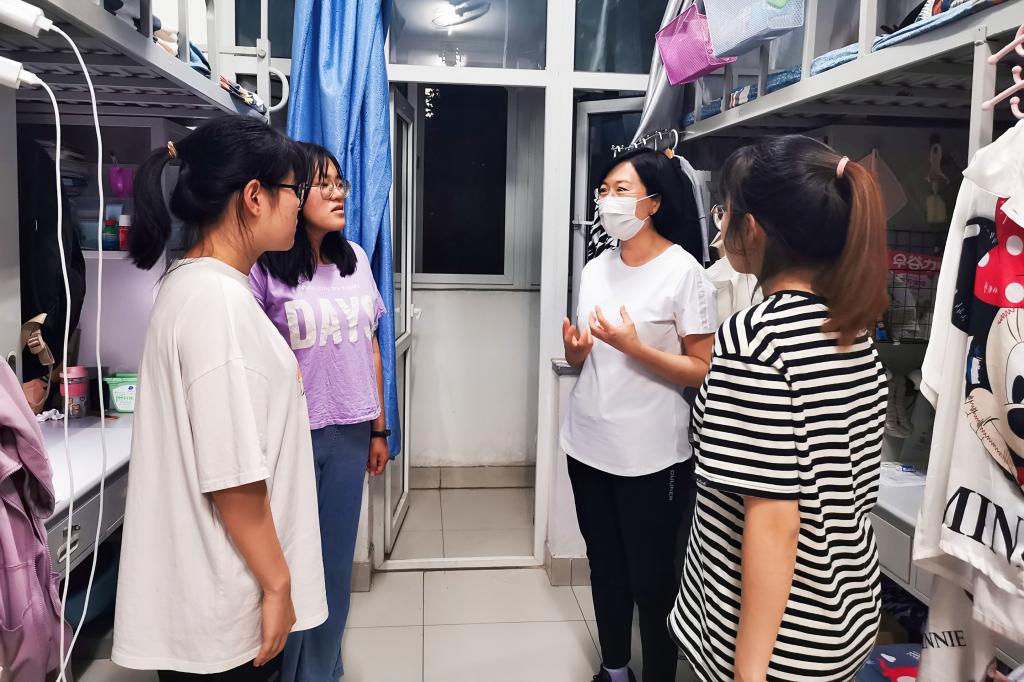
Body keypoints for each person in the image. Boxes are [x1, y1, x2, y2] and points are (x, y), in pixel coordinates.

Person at [112, 116, 328, 680]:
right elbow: (232, 475)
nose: (299, 204)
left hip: (213, 593)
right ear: (254, 197)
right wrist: (278, 584)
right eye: (294, 190)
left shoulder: (195, 284)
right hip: (227, 604)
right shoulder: (216, 303)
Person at [669, 135, 888, 682]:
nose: (720, 224)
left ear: (753, 230)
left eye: (726, 211)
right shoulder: (850, 332)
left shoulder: (755, 340)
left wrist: (750, 671)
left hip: (773, 642)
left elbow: (774, 521)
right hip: (840, 616)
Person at [560, 148, 718, 682]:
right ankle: (614, 670)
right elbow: (585, 358)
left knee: (651, 580)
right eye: (604, 190)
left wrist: (635, 348)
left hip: (652, 456)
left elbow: (701, 370)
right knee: (604, 566)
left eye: (621, 190)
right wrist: (577, 352)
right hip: (587, 443)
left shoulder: (684, 272)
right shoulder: (595, 268)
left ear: (653, 202)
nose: (608, 200)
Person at [250, 142, 389, 681]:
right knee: (289, 568)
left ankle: (323, 672)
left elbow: (371, 347)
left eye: (340, 183)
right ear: (294, 194)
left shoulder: (355, 260)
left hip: (350, 433)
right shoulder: (265, 270)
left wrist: (380, 430)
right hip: (291, 439)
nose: (338, 194)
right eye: (323, 184)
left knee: (333, 569)